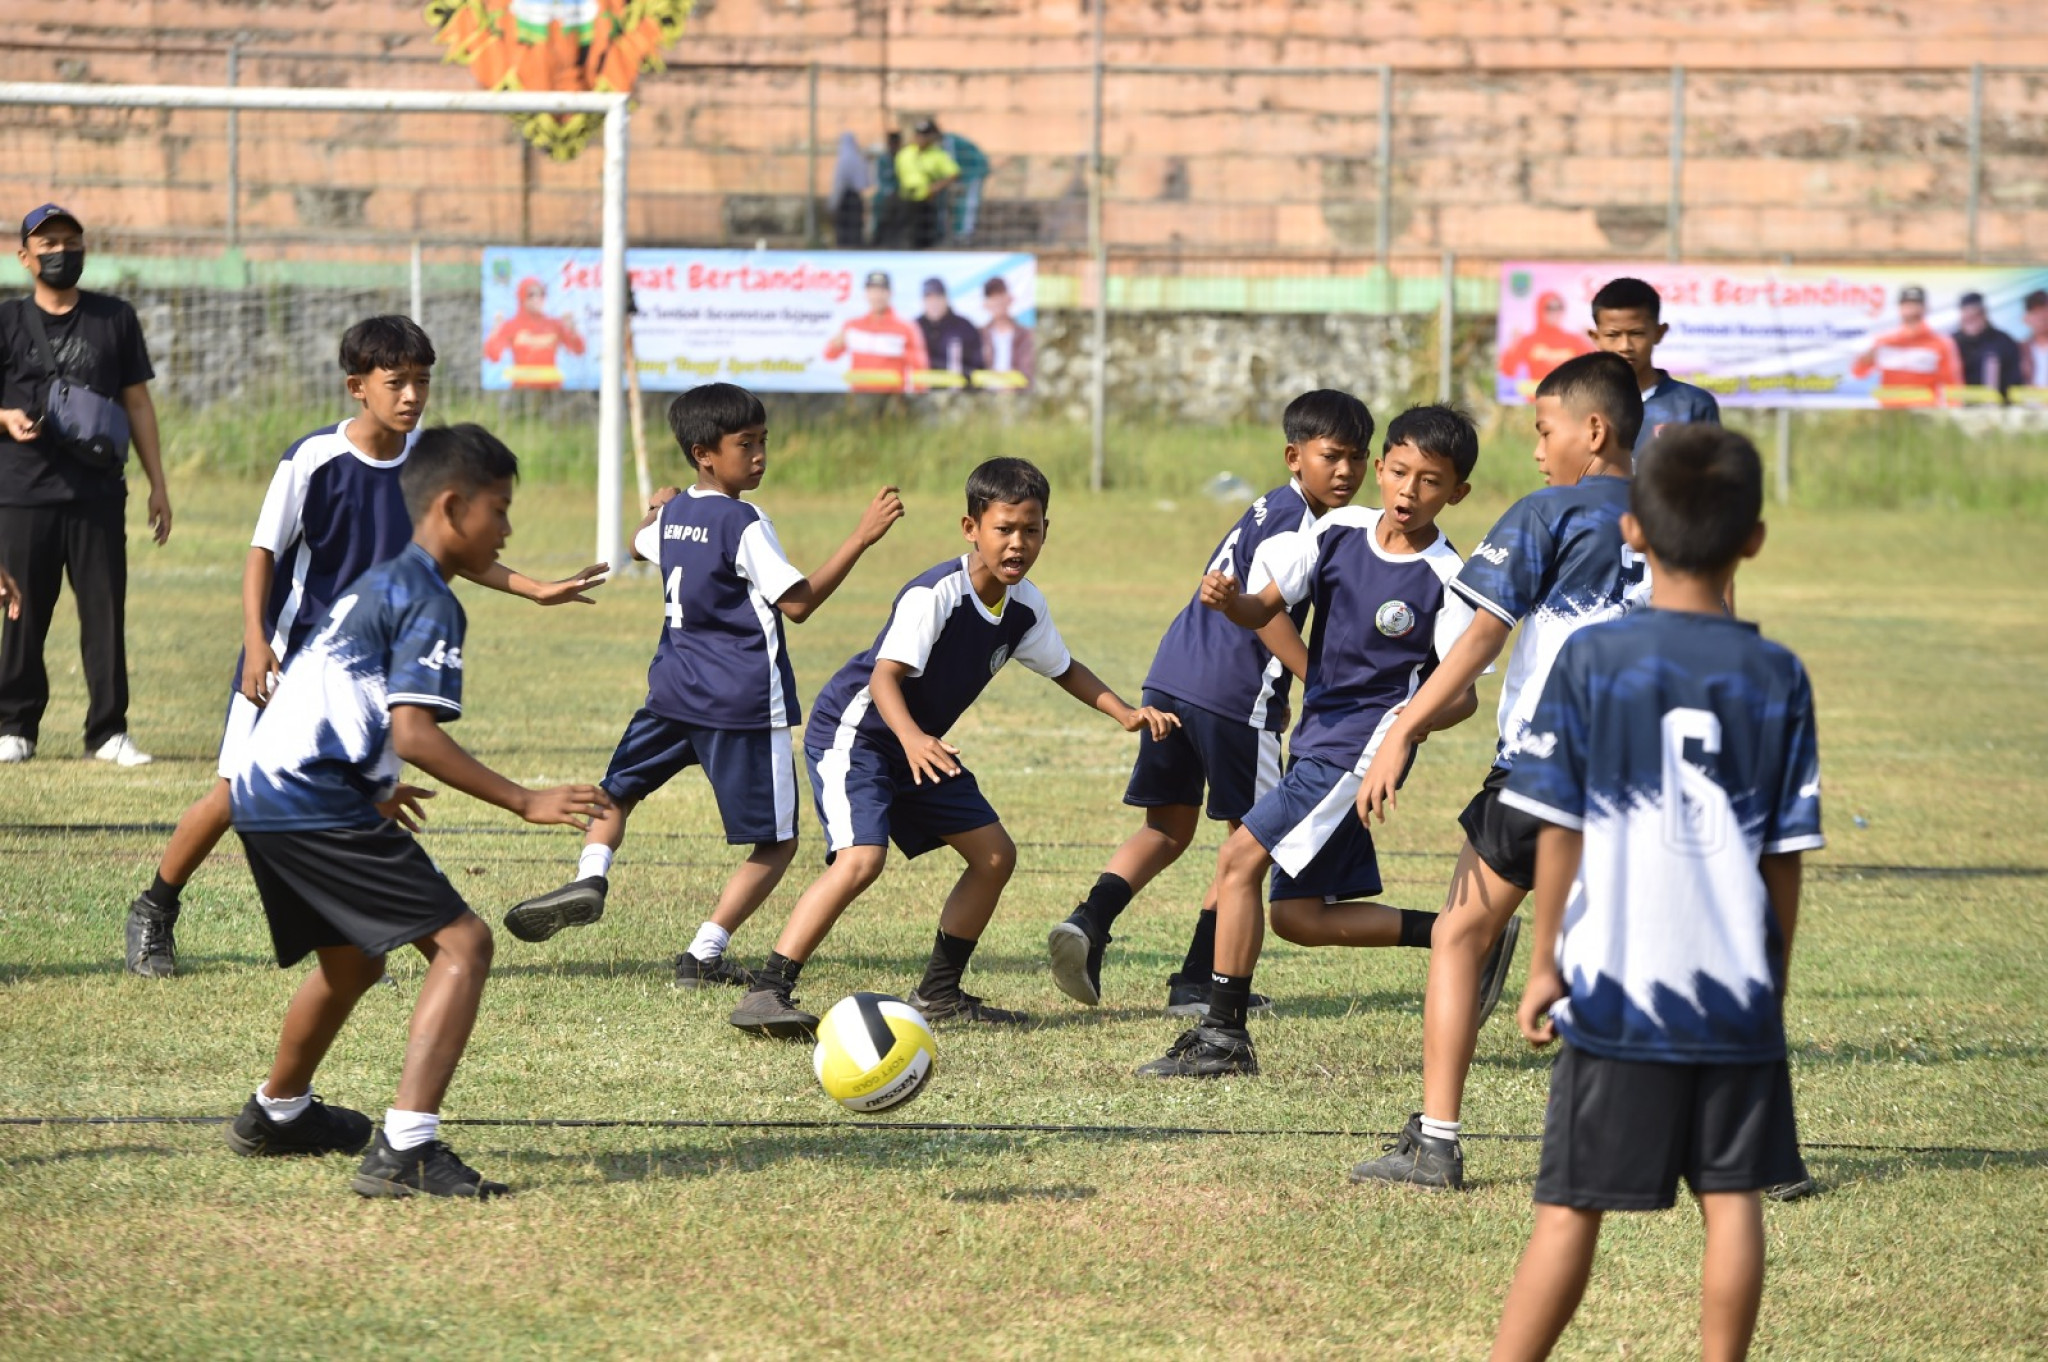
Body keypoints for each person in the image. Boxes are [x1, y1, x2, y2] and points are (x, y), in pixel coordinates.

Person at [123, 316, 606, 979]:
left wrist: (535, 589)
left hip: (365, 668)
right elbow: (262, 553)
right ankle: (155, 908)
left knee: (359, 797)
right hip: (289, 659)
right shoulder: (315, 459)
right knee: (236, 793)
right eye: (396, 382)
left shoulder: (428, 468)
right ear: (357, 386)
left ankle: (373, 946)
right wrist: (256, 643)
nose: (412, 396)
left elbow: (454, 552)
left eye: (422, 381)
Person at [1488, 425, 1822, 1361]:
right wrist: (1773, 984)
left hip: (1619, 985)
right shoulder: (1777, 674)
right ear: (1751, 540)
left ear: (1632, 529)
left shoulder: (1595, 663)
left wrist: (1544, 961)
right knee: (1733, 1201)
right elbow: (1783, 855)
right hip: (1732, 993)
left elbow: (1561, 828)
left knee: (1567, 1211)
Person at [222, 423, 612, 1199]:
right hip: (309, 794)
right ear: (452, 506)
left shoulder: (381, 580)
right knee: (464, 944)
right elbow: (414, 732)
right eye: (500, 510)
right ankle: (407, 1149)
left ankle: (279, 1111)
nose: (507, 528)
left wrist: (370, 782)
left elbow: (335, 690)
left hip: (265, 790)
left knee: (354, 961)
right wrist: (525, 799)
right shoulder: (430, 598)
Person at [725, 458, 1179, 1038]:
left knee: (995, 855)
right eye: (1004, 529)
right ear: (971, 528)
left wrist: (1124, 711)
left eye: (1031, 530)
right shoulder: (935, 594)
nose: (1018, 544)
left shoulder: (1024, 606)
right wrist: (913, 739)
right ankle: (767, 991)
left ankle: (939, 993)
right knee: (862, 859)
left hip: (918, 747)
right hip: (857, 734)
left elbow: (1064, 668)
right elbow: (884, 678)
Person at [1349, 351, 1647, 1189]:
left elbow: (1482, 636)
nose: (1539, 449)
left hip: (1543, 770)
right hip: (1644, 781)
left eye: (1546, 430)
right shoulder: (1681, 516)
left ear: (1593, 431)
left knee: (1460, 933)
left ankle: (1436, 1142)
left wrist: (1404, 728)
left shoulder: (1547, 511)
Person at [502, 384, 904, 985]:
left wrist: (655, 507)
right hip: (740, 706)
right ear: (704, 453)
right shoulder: (743, 521)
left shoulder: (674, 516)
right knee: (778, 845)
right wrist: (860, 537)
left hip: (670, 696)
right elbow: (798, 604)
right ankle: (703, 954)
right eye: (746, 444)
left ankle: (591, 873)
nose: (761, 455)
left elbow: (641, 548)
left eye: (764, 441)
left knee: (617, 795)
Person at [1136, 406, 1487, 1078]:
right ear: (1381, 469)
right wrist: (1227, 598)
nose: (1411, 492)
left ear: (1457, 493)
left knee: (1238, 860)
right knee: (1298, 916)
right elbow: (1263, 609)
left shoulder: (1448, 579)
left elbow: (1463, 693)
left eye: (1432, 482)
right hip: (1318, 741)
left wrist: (1401, 735)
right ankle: (1461, 933)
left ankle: (1222, 1038)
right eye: (1402, 472)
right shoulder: (1339, 530)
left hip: (1357, 755)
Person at [1046, 390, 1365, 1017]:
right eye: (1333, 456)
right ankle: (1198, 981)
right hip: (1234, 695)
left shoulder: (1266, 505)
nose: (1347, 471)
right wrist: (1321, 684)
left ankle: (1090, 921)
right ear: (1294, 456)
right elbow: (1264, 618)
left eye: (1358, 457)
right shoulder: (1300, 522)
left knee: (1167, 827)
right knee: (1251, 841)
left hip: (1172, 674)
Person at [0, 203, 171, 768]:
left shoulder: (114, 318)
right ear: (24, 257)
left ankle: (108, 732)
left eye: (70, 241)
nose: (59, 252)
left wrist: (157, 486)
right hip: (24, 492)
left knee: (104, 613)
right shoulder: (7, 321)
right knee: (24, 614)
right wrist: (5, 418)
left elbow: (138, 403)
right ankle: (15, 727)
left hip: (98, 492)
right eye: (46, 244)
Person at [1586, 276, 1720, 445]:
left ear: (1658, 333)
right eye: (1613, 335)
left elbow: (1713, 469)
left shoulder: (1693, 405)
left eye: (1637, 333)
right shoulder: (1579, 405)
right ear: (1595, 337)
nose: (1625, 346)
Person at [1849, 285, 1962, 407]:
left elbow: (1952, 387)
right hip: (1889, 416)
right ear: (1900, 308)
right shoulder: (1883, 341)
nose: (1912, 310)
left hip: (1924, 416)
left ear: (1925, 308)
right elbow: (1858, 373)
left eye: (1916, 305)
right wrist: (1864, 360)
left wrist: (1952, 416)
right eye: (1907, 305)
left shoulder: (1941, 344)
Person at [823, 271, 930, 394]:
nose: (877, 296)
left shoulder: (906, 329)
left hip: (891, 398)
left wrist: (915, 398)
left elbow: (920, 369)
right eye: (873, 290)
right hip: (858, 397)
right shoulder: (853, 325)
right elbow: (829, 356)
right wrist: (835, 344)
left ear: (890, 293)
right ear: (866, 294)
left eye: (881, 291)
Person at [482, 276, 586, 390]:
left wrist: (573, 329)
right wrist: (495, 329)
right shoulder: (511, 325)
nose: (538, 298)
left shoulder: (554, 324)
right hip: (523, 389)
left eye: (541, 294)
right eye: (531, 294)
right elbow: (493, 356)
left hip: (551, 389)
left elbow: (579, 350)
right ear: (522, 298)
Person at [1497, 290, 1592, 388]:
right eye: (1549, 308)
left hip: (1567, 399)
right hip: (1536, 399)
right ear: (1539, 309)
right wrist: (1513, 344)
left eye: (1559, 307)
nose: (1555, 312)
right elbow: (1508, 371)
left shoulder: (1573, 340)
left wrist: (1589, 342)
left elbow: (1595, 367)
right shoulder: (1528, 340)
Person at [895, 117, 960, 250]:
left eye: (925, 135)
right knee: (901, 237)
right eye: (919, 135)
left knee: (924, 238)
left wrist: (936, 187)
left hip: (926, 200)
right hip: (905, 199)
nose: (921, 139)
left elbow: (954, 173)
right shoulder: (905, 153)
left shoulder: (937, 155)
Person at [1953, 291, 2022, 403]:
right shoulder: (1951, 343)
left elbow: (2015, 383)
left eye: (1976, 314)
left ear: (1984, 313)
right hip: (1958, 410)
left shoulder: (2003, 342)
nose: (1971, 318)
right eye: (1967, 314)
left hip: (1996, 411)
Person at [917, 277, 985, 385]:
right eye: (930, 298)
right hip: (920, 394)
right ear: (923, 301)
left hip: (958, 393)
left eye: (938, 297)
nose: (934, 303)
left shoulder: (964, 327)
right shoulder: (914, 328)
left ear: (946, 298)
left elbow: (977, 365)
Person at [977, 277, 1035, 386]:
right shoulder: (979, 335)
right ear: (985, 304)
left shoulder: (1026, 335)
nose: (997, 301)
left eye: (1000, 295)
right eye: (992, 297)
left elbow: (1029, 372)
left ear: (1010, 299)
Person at [942, 128, 991, 242]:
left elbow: (951, 161)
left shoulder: (950, 142)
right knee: (959, 205)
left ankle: (965, 234)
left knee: (969, 204)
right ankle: (959, 233)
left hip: (973, 174)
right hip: (963, 176)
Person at [829, 131, 873, 249]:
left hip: (844, 199)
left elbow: (839, 184)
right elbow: (866, 182)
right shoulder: (859, 158)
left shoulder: (843, 159)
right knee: (855, 231)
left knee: (843, 233)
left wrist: (832, 204)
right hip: (856, 199)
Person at [871, 130, 906, 247]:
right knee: (883, 221)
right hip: (886, 197)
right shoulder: (883, 159)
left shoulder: (903, 157)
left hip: (900, 197)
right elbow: (882, 178)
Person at [2021, 290, 2048, 391]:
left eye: (2044, 310)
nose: (2041, 317)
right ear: (2026, 319)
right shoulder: (2020, 350)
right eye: (2035, 312)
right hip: (2027, 405)